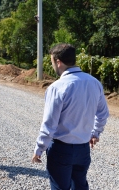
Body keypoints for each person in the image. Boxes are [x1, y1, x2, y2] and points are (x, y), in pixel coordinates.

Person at [32, 43, 109, 189]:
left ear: (58, 61)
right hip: (83, 149)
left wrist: (39, 148)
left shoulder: (57, 87)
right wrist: (95, 133)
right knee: (80, 185)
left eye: (52, 61)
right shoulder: (94, 83)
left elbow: (49, 124)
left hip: (61, 150)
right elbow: (103, 114)